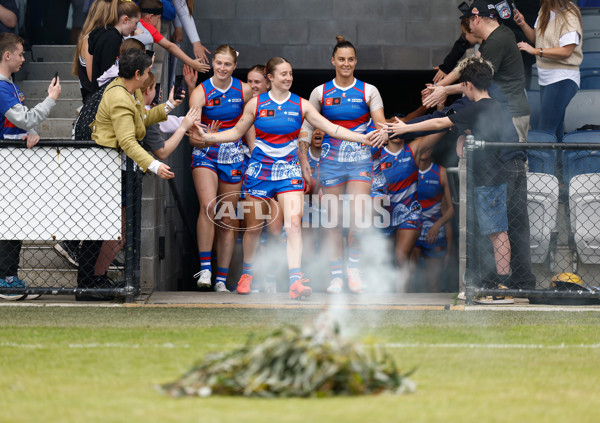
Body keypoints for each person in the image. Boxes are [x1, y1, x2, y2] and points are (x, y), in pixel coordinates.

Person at [189, 56, 374, 300]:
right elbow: (235, 132)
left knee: (293, 225)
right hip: (259, 171)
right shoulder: (255, 105)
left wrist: (363, 138)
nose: (288, 78)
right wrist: (206, 138)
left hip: (289, 171)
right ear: (271, 77)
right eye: (283, 74)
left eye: (290, 74)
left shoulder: (302, 104)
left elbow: (331, 128)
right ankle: (247, 274)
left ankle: (295, 280)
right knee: (254, 228)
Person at [383, 56, 530, 303]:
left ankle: (501, 286)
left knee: (497, 233)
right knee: (496, 232)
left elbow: (441, 121)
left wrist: (405, 128)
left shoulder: (479, 107)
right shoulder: (493, 107)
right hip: (493, 176)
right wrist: (464, 135)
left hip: (491, 178)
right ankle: (494, 283)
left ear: (468, 85)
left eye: (462, 85)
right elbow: (472, 129)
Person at [76, 48, 184, 299]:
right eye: (147, 71)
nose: (149, 75)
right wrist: (155, 165)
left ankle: (94, 280)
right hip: (105, 171)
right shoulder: (120, 97)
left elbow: (141, 119)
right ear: (137, 73)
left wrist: (168, 105)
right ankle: (88, 284)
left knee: (110, 230)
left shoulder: (128, 89)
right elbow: (127, 140)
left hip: (114, 170)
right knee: (101, 230)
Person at [299, 36, 386, 294]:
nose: (346, 64)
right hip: (330, 163)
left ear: (355, 61)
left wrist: (383, 135)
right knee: (333, 221)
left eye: (350, 59)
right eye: (341, 59)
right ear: (333, 61)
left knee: (358, 217)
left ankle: (354, 271)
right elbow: (306, 127)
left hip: (360, 160)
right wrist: (304, 158)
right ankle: (337, 275)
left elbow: (380, 125)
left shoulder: (369, 90)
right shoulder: (320, 92)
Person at [188, 45, 252, 293]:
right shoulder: (200, 92)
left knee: (228, 217)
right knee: (209, 206)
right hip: (206, 154)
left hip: (234, 156)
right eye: (218, 63)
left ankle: (221, 280)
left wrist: (254, 154)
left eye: (228, 64)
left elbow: (250, 127)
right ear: (212, 63)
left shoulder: (244, 90)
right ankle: (205, 268)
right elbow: (191, 138)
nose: (222, 68)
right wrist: (206, 138)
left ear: (234, 66)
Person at [0, 33, 61, 295]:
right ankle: (5, 279)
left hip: (11, 166)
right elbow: (24, 118)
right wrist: (51, 98)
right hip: (6, 165)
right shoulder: (2, 87)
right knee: (9, 223)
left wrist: (30, 131)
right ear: (7, 55)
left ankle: (9, 277)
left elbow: (22, 123)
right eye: (21, 54)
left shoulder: (10, 85)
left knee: (13, 222)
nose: (24, 59)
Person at [424, 0, 530, 144]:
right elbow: (467, 65)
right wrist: (438, 87)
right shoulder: (498, 33)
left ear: (477, 19)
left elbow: (475, 83)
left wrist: (445, 90)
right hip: (499, 111)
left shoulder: (496, 42)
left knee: (511, 162)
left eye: (469, 21)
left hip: (509, 114)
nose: (469, 27)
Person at [514, 0, 583, 142]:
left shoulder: (569, 14)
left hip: (563, 77)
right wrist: (522, 24)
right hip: (546, 78)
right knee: (555, 131)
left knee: (545, 131)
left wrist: (535, 51)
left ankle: (544, 163)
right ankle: (559, 163)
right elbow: (536, 38)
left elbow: (566, 51)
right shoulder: (544, 10)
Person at [411, 150, 454, 293]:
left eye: (429, 146)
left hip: (433, 233)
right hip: (411, 231)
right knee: (410, 279)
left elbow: (452, 208)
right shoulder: (408, 169)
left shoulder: (441, 172)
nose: (425, 150)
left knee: (433, 283)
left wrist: (438, 225)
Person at [132, 0, 209, 74]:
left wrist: (178, 27)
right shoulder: (149, 31)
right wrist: (192, 63)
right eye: (158, 18)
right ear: (150, 17)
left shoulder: (132, 21)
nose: (158, 21)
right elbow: (170, 46)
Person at [73, 0, 121, 103]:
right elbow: (93, 78)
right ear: (110, 14)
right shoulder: (90, 39)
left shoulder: (93, 37)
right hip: (94, 102)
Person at [88, 0, 142, 92]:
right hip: (106, 97)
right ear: (125, 19)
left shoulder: (111, 36)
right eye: (136, 23)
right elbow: (109, 73)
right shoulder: (111, 39)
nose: (135, 28)